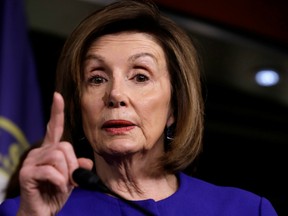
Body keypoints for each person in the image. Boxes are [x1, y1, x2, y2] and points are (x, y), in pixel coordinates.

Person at [0, 0, 278, 215]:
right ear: (77, 106)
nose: (116, 94)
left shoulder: (245, 210)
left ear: (174, 107)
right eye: (97, 79)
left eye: (140, 76)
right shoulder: (23, 211)